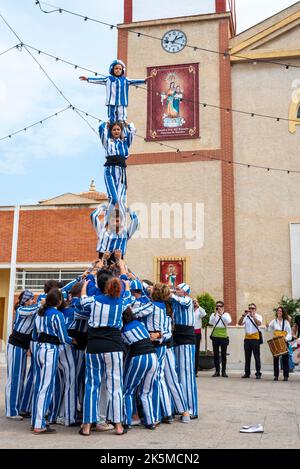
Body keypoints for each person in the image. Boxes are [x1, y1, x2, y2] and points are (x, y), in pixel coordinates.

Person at [79, 259, 132, 436]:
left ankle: (87, 425)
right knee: (115, 385)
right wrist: (123, 269)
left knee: (92, 385)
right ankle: (118, 425)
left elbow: (83, 299)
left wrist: (89, 279)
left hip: (94, 345)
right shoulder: (122, 301)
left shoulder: (94, 300)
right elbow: (129, 292)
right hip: (114, 346)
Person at [31, 289, 76, 434]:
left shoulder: (39, 314)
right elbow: (63, 338)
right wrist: (72, 340)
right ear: (59, 301)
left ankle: (35, 421)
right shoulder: (57, 315)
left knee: (39, 386)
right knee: (46, 387)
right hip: (50, 350)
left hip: (39, 349)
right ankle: (39, 424)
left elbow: (35, 334)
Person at [5, 290, 41, 420]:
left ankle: (16, 407)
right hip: (15, 346)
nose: (33, 301)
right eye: (31, 299)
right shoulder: (21, 310)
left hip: (21, 347)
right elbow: (32, 310)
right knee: (14, 378)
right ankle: (11, 411)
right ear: (25, 301)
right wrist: (42, 302)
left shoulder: (31, 309)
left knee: (20, 378)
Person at [122, 307, 158, 430]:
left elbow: (126, 347)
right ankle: (150, 422)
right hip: (153, 357)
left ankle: (127, 421)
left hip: (139, 358)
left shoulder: (123, 330)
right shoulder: (139, 323)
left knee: (127, 390)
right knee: (146, 392)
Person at [79, 59, 150, 123]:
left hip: (121, 103)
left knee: (121, 119)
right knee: (111, 119)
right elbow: (98, 80)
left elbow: (134, 81)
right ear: (112, 69)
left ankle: (122, 131)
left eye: (120, 69)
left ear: (122, 70)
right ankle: (111, 129)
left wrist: (144, 81)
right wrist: (88, 79)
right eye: (116, 68)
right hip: (111, 102)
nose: (118, 70)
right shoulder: (108, 79)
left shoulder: (125, 80)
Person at [98, 121, 136, 222]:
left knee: (121, 200)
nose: (116, 131)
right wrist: (105, 124)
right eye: (114, 129)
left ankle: (122, 222)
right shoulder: (108, 142)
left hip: (121, 173)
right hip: (110, 171)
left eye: (118, 129)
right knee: (113, 199)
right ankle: (106, 221)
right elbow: (101, 129)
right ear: (111, 131)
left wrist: (128, 125)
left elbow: (133, 131)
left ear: (121, 131)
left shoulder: (125, 142)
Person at [171, 283, 198, 419]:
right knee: (178, 373)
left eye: (178, 289)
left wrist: (169, 292)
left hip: (187, 338)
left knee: (187, 374)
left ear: (185, 291)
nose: (176, 291)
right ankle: (180, 406)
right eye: (175, 289)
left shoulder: (187, 300)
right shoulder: (176, 300)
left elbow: (178, 300)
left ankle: (192, 409)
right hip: (177, 336)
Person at [266, 306, 292, 381]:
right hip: (276, 342)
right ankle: (276, 375)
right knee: (275, 359)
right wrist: (267, 326)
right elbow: (268, 329)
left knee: (285, 359)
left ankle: (286, 376)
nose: (279, 312)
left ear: (282, 312)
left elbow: (289, 333)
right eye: (278, 311)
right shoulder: (274, 321)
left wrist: (286, 339)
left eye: (280, 311)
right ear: (276, 312)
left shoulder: (286, 322)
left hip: (284, 341)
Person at [238, 304, 263, 379]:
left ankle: (258, 373)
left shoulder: (258, 316)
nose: (251, 309)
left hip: (255, 338)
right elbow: (240, 323)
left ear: (255, 309)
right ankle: (247, 373)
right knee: (247, 357)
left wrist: (253, 316)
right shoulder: (246, 316)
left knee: (257, 357)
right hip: (247, 339)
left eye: (252, 308)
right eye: (250, 308)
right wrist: (243, 315)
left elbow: (259, 323)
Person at [209, 301, 232, 378]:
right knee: (215, 354)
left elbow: (229, 321)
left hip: (223, 336)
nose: (218, 307)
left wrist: (221, 314)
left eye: (220, 306)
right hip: (215, 336)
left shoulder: (226, 314)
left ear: (223, 307)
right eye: (217, 306)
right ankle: (217, 371)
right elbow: (210, 322)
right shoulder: (213, 314)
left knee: (223, 355)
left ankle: (224, 371)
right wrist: (215, 314)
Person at [193, 299, 206, 376]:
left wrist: (198, 306)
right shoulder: (189, 309)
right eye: (193, 302)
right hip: (189, 332)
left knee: (196, 351)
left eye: (195, 301)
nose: (194, 303)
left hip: (197, 333)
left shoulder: (199, 310)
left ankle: (195, 371)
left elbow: (204, 314)